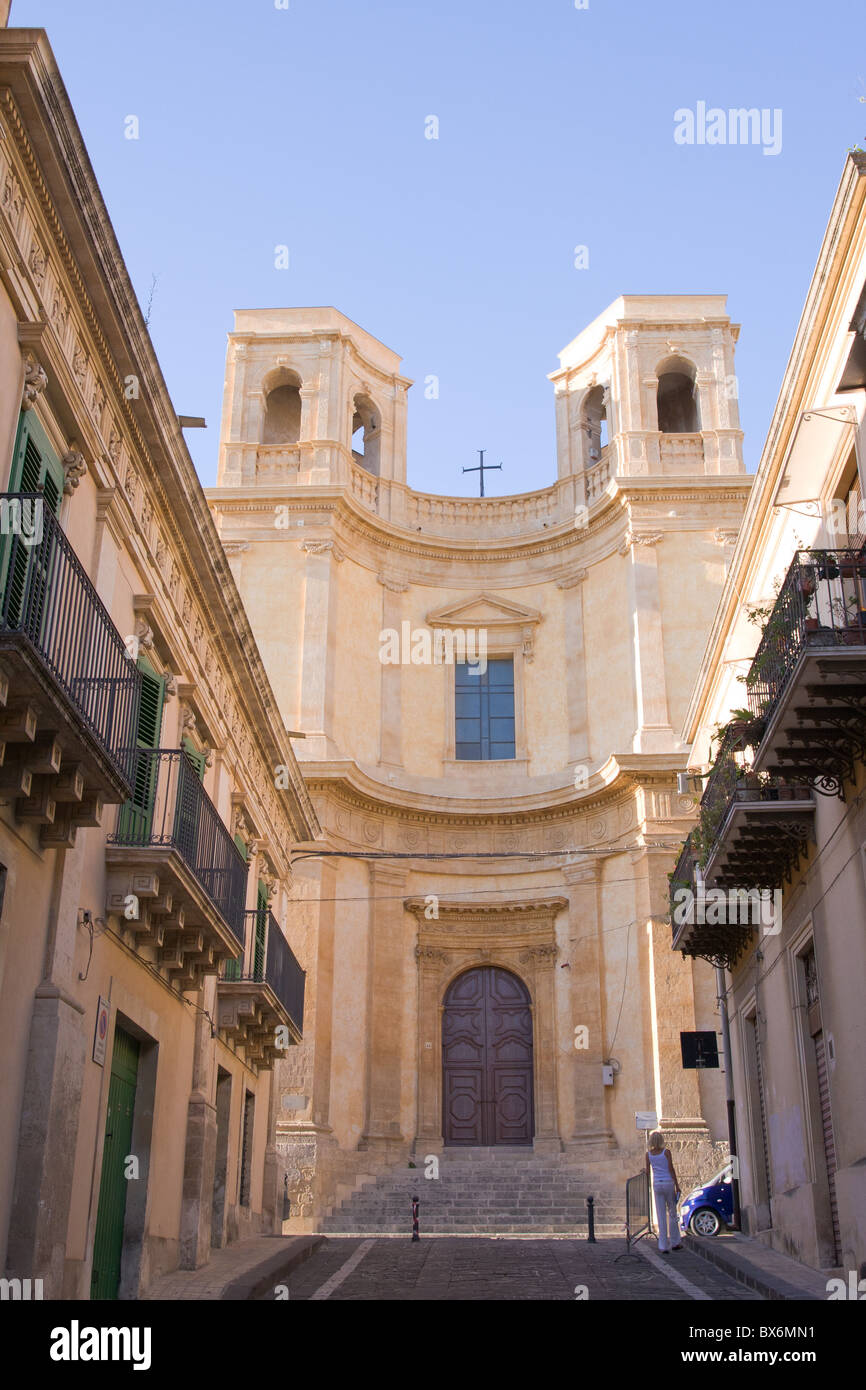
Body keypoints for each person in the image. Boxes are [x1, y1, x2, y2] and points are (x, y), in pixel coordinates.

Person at [645, 1130, 683, 1254]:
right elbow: (671, 1169)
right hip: (667, 1182)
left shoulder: (648, 1155)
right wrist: (677, 1185)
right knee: (672, 1212)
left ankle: (663, 1245)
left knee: (660, 1215)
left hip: (657, 1184)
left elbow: (647, 1171)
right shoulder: (666, 1152)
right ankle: (675, 1242)